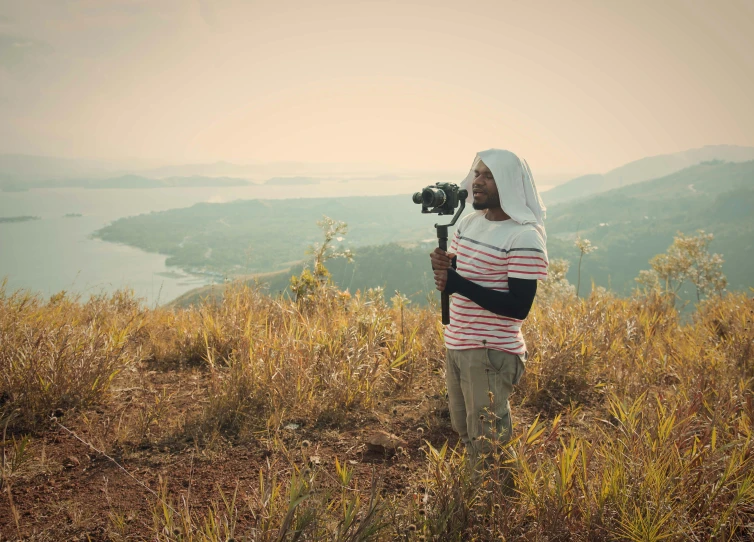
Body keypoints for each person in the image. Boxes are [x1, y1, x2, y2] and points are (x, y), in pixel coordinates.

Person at [430, 148, 548, 484]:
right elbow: (462, 277)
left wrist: (458, 283)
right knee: (466, 432)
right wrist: (445, 269)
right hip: (459, 344)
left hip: (490, 350)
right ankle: (478, 502)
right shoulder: (469, 222)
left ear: (509, 184)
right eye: (477, 173)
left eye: (489, 176)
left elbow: (517, 307)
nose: (477, 182)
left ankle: (498, 512)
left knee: (489, 441)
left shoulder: (523, 236)